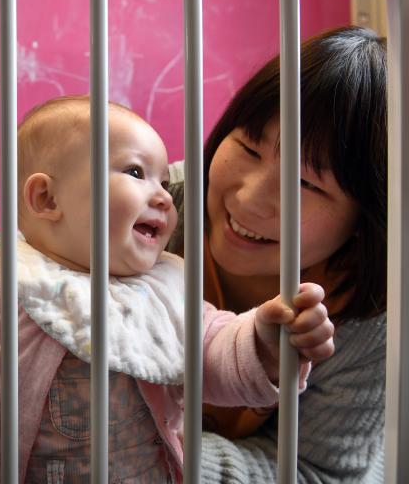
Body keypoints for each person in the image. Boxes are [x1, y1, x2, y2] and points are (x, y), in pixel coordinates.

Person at [0, 96, 334, 483]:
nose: (165, 195)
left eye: (160, 177)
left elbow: (215, 355)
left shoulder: (167, 287)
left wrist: (263, 339)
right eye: (136, 172)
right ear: (45, 198)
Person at [166, 26, 387, 482]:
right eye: (247, 147)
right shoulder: (157, 207)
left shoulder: (367, 313)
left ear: (364, 217)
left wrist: (162, 447)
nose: (248, 199)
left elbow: (318, 471)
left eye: (306, 183)